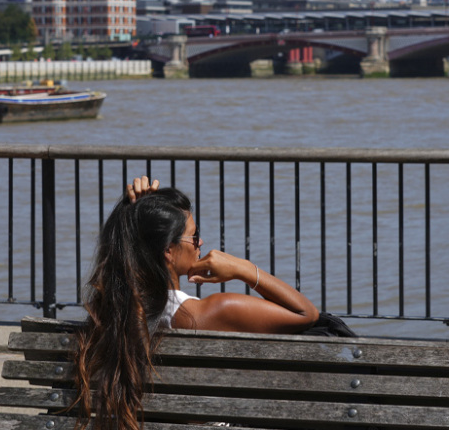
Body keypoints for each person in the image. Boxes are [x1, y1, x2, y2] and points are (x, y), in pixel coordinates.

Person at [72, 176, 319, 430]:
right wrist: (242, 269)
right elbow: (306, 313)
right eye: (194, 236)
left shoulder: (111, 315)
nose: (200, 243)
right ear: (168, 250)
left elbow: (124, 247)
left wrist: (132, 212)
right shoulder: (203, 315)